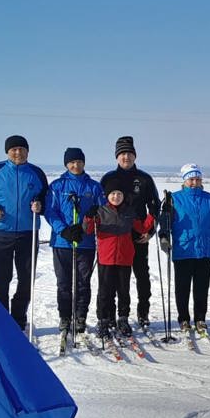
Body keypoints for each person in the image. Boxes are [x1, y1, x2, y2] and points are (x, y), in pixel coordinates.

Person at [0, 135, 48, 330]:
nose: (18, 153)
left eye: (22, 149)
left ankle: (18, 316)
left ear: (27, 151)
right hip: (1, 233)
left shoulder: (36, 173)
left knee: (26, 278)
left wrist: (40, 205)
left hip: (28, 232)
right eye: (14, 149)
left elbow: (46, 198)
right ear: (7, 151)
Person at [44, 147, 105, 335]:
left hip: (85, 242)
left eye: (79, 161)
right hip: (63, 243)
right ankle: (65, 316)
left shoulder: (94, 187)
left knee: (82, 281)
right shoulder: (57, 186)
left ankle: (80, 316)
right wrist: (63, 230)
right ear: (66, 164)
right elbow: (50, 210)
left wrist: (91, 219)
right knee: (63, 282)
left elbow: (102, 211)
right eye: (71, 162)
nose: (75, 165)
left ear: (84, 163)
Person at [100, 136, 159, 327]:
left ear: (135, 156)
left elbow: (154, 207)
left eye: (129, 153)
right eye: (122, 153)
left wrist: (151, 232)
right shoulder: (109, 178)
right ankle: (109, 315)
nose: (126, 157)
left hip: (138, 234)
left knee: (142, 275)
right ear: (117, 156)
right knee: (112, 279)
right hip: (114, 237)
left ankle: (143, 313)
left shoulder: (144, 179)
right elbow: (100, 208)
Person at [86, 178, 155, 338]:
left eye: (119, 194)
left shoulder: (130, 212)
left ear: (123, 196)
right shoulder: (100, 211)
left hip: (125, 258)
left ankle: (122, 318)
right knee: (105, 291)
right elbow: (88, 230)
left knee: (124, 291)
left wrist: (152, 213)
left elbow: (142, 227)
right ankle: (104, 319)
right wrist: (89, 217)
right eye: (113, 194)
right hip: (106, 258)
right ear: (107, 196)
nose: (116, 196)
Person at [158, 164, 210, 333]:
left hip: (205, 249)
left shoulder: (209, 198)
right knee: (182, 287)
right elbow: (164, 220)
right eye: (191, 179)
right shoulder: (175, 198)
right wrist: (163, 236)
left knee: (201, 287)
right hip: (184, 249)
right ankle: (183, 318)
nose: (194, 182)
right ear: (184, 180)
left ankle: (200, 318)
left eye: (197, 179)